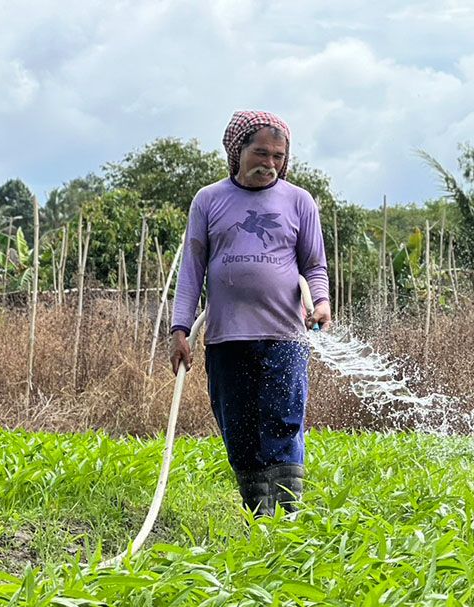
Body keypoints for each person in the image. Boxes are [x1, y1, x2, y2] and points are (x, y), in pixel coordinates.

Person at [169, 110, 331, 516]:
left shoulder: (299, 201)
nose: (269, 163)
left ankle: (288, 518)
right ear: (237, 150)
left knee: (283, 421)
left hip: (285, 336)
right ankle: (260, 517)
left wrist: (322, 301)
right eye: (261, 153)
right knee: (239, 429)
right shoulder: (209, 200)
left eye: (278, 156)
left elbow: (314, 265)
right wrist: (179, 329)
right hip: (227, 338)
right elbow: (192, 271)